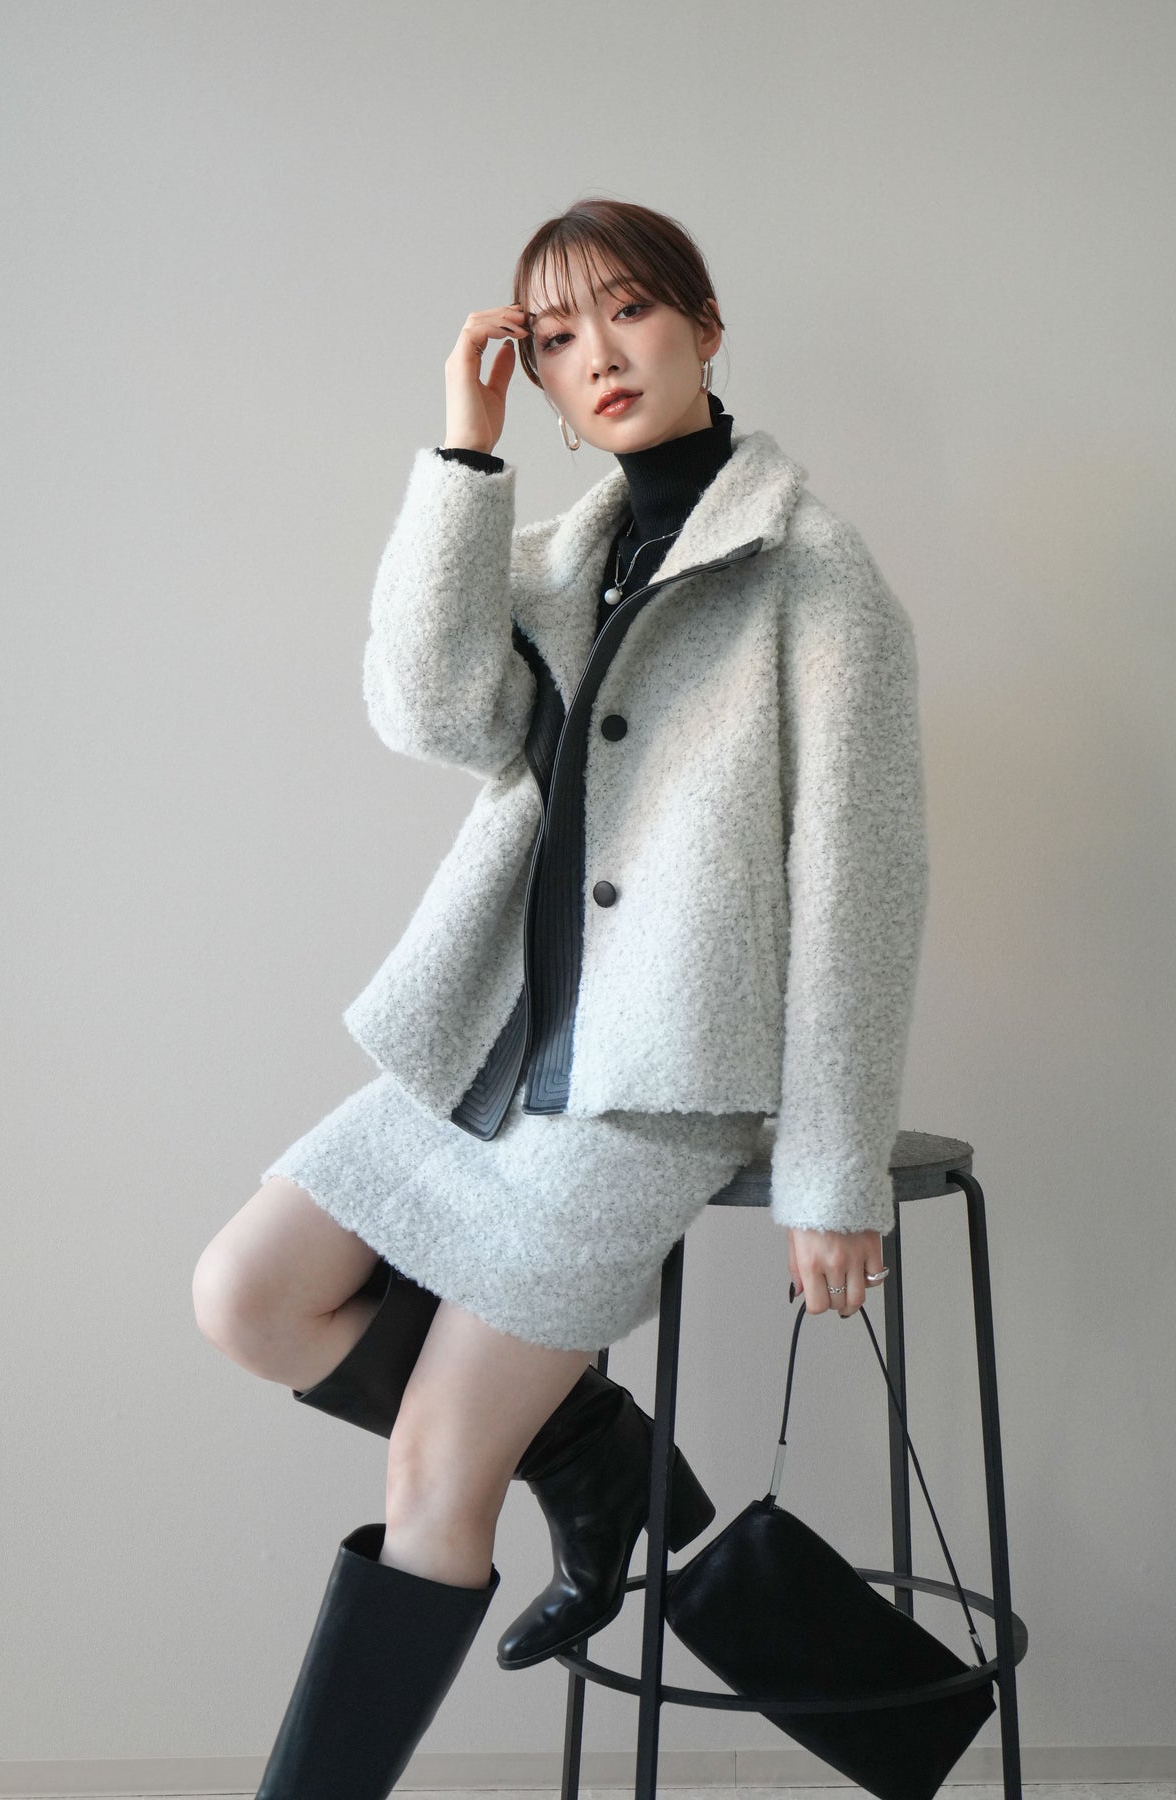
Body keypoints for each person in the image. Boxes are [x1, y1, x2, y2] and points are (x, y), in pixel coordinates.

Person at [191, 196, 928, 1798]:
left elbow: (859, 895)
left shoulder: (815, 580)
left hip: (647, 1089)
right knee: (247, 1296)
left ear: (705, 327)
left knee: (433, 1472)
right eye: (555, 337)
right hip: (489, 1049)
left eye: (630, 312)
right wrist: (462, 460)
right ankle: (594, 1456)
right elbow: (429, 713)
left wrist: (832, 1170)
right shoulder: (560, 561)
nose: (598, 355)